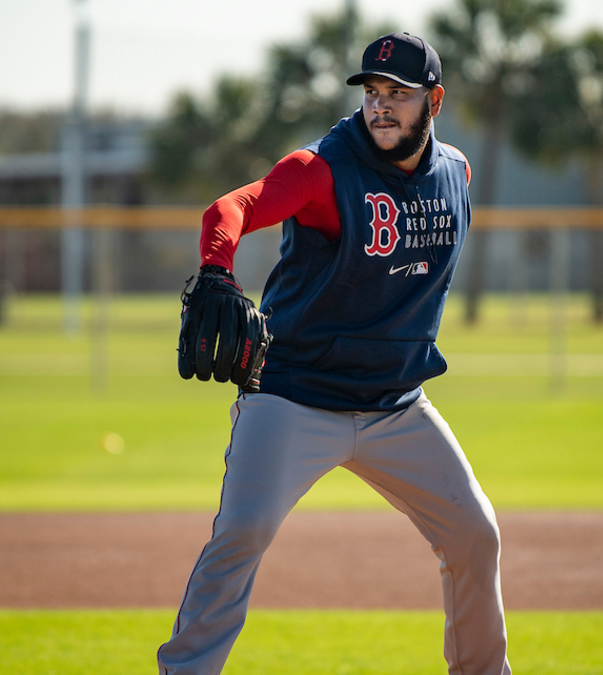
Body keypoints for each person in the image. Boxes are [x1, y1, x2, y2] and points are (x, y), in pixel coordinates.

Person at [158, 32, 511, 675]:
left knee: (475, 535)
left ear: (434, 100)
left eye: (398, 94)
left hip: (396, 406)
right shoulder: (321, 167)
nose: (381, 106)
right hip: (294, 395)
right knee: (242, 534)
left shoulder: (456, 173)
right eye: (373, 92)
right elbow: (230, 208)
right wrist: (217, 272)